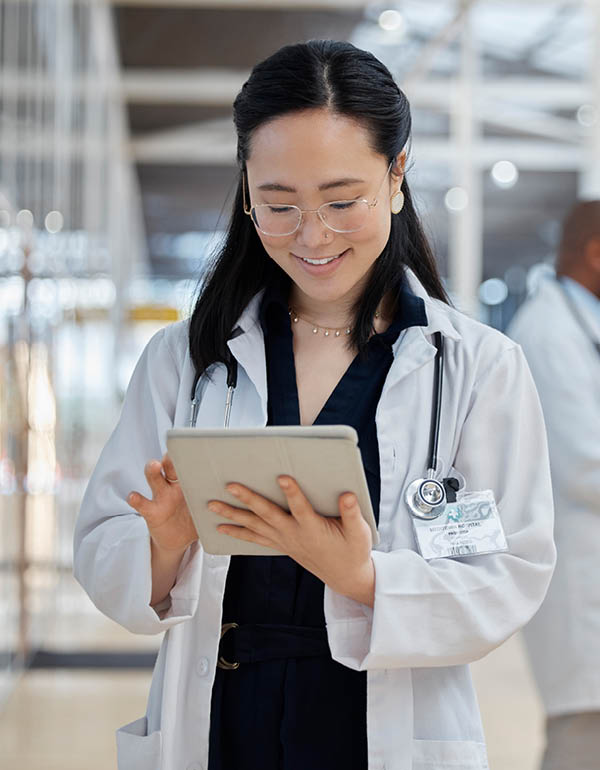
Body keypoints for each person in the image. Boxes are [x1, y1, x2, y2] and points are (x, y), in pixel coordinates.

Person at [74, 40, 556, 770]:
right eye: (278, 204)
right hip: (223, 725)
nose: (313, 236)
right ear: (245, 193)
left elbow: (506, 572)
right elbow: (103, 548)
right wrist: (165, 542)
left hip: (376, 730)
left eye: (341, 201)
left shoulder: (475, 369)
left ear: (396, 177)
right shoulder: (187, 360)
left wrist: (363, 576)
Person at [507, 200, 600, 770]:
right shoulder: (547, 331)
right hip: (579, 574)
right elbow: (586, 466)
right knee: (581, 735)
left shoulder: (579, 323)